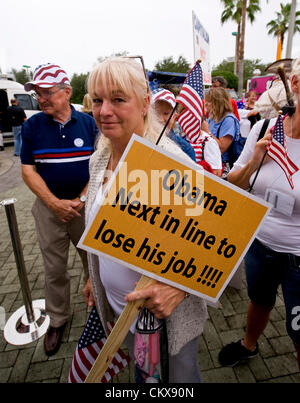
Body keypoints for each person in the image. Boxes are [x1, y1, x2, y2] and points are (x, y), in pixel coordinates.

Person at [82, 57, 208, 383]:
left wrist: (177, 289)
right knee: (143, 377)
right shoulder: (99, 157)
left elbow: (219, 247)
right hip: (121, 312)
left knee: (178, 381)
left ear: (144, 104)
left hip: (168, 320)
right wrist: (93, 274)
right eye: (97, 100)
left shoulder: (172, 163)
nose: (104, 110)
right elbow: (97, 227)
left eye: (118, 99)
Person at [218, 58, 300, 370]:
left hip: (298, 257)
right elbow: (232, 184)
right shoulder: (265, 129)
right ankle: (249, 345)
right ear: (295, 85)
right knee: (259, 300)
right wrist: (254, 160)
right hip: (261, 243)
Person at [21, 63, 99, 356]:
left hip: (85, 206)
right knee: (54, 268)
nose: (40, 98)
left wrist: (80, 199)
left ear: (67, 92)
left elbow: (102, 164)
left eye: (46, 92)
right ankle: (57, 319)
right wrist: (54, 203)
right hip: (48, 209)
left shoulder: (90, 123)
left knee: (94, 264)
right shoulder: (32, 126)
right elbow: (28, 170)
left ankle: (99, 311)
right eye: (37, 92)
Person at [202, 87, 240, 176]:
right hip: (211, 164)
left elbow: (222, 147)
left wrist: (207, 131)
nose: (206, 104)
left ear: (218, 102)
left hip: (221, 166)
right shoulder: (212, 118)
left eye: (209, 101)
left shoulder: (229, 120)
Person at [152, 88, 196, 161]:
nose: (160, 119)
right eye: (155, 113)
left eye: (166, 113)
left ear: (174, 116)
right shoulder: (140, 140)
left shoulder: (186, 149)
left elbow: (193, 172)